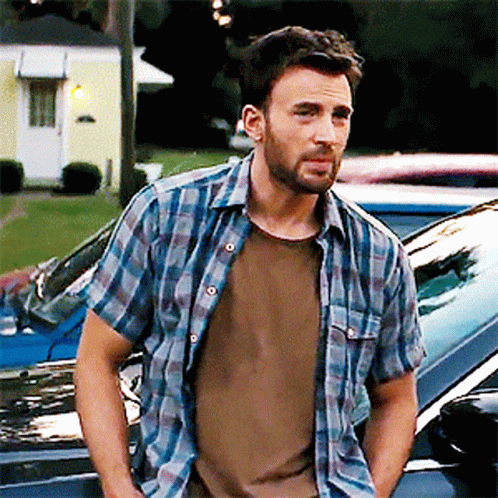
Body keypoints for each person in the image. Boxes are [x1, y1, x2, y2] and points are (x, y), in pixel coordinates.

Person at [75, 26, 425, 498]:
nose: (327, 135)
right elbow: (97, 359)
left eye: (339, 116)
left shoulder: (377, 256)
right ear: (254, 122)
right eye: (306, 113)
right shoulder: (168, 217)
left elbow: (396, 400)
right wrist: (118, 486)